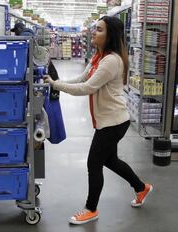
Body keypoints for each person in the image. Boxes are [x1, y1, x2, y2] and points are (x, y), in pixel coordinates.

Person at [44, 16, 153, 225]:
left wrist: (56, 85)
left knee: (94, 163)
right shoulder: (99, 57)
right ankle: (141, 187)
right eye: (95, 29)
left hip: (114, 122)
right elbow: (83, 79)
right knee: (110, 160)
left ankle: (90, 209)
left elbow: (87, 88)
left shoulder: (111, 60)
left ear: (110, 35)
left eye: (100, 30)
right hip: (108, 120)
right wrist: (56, 82)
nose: (94, 32)